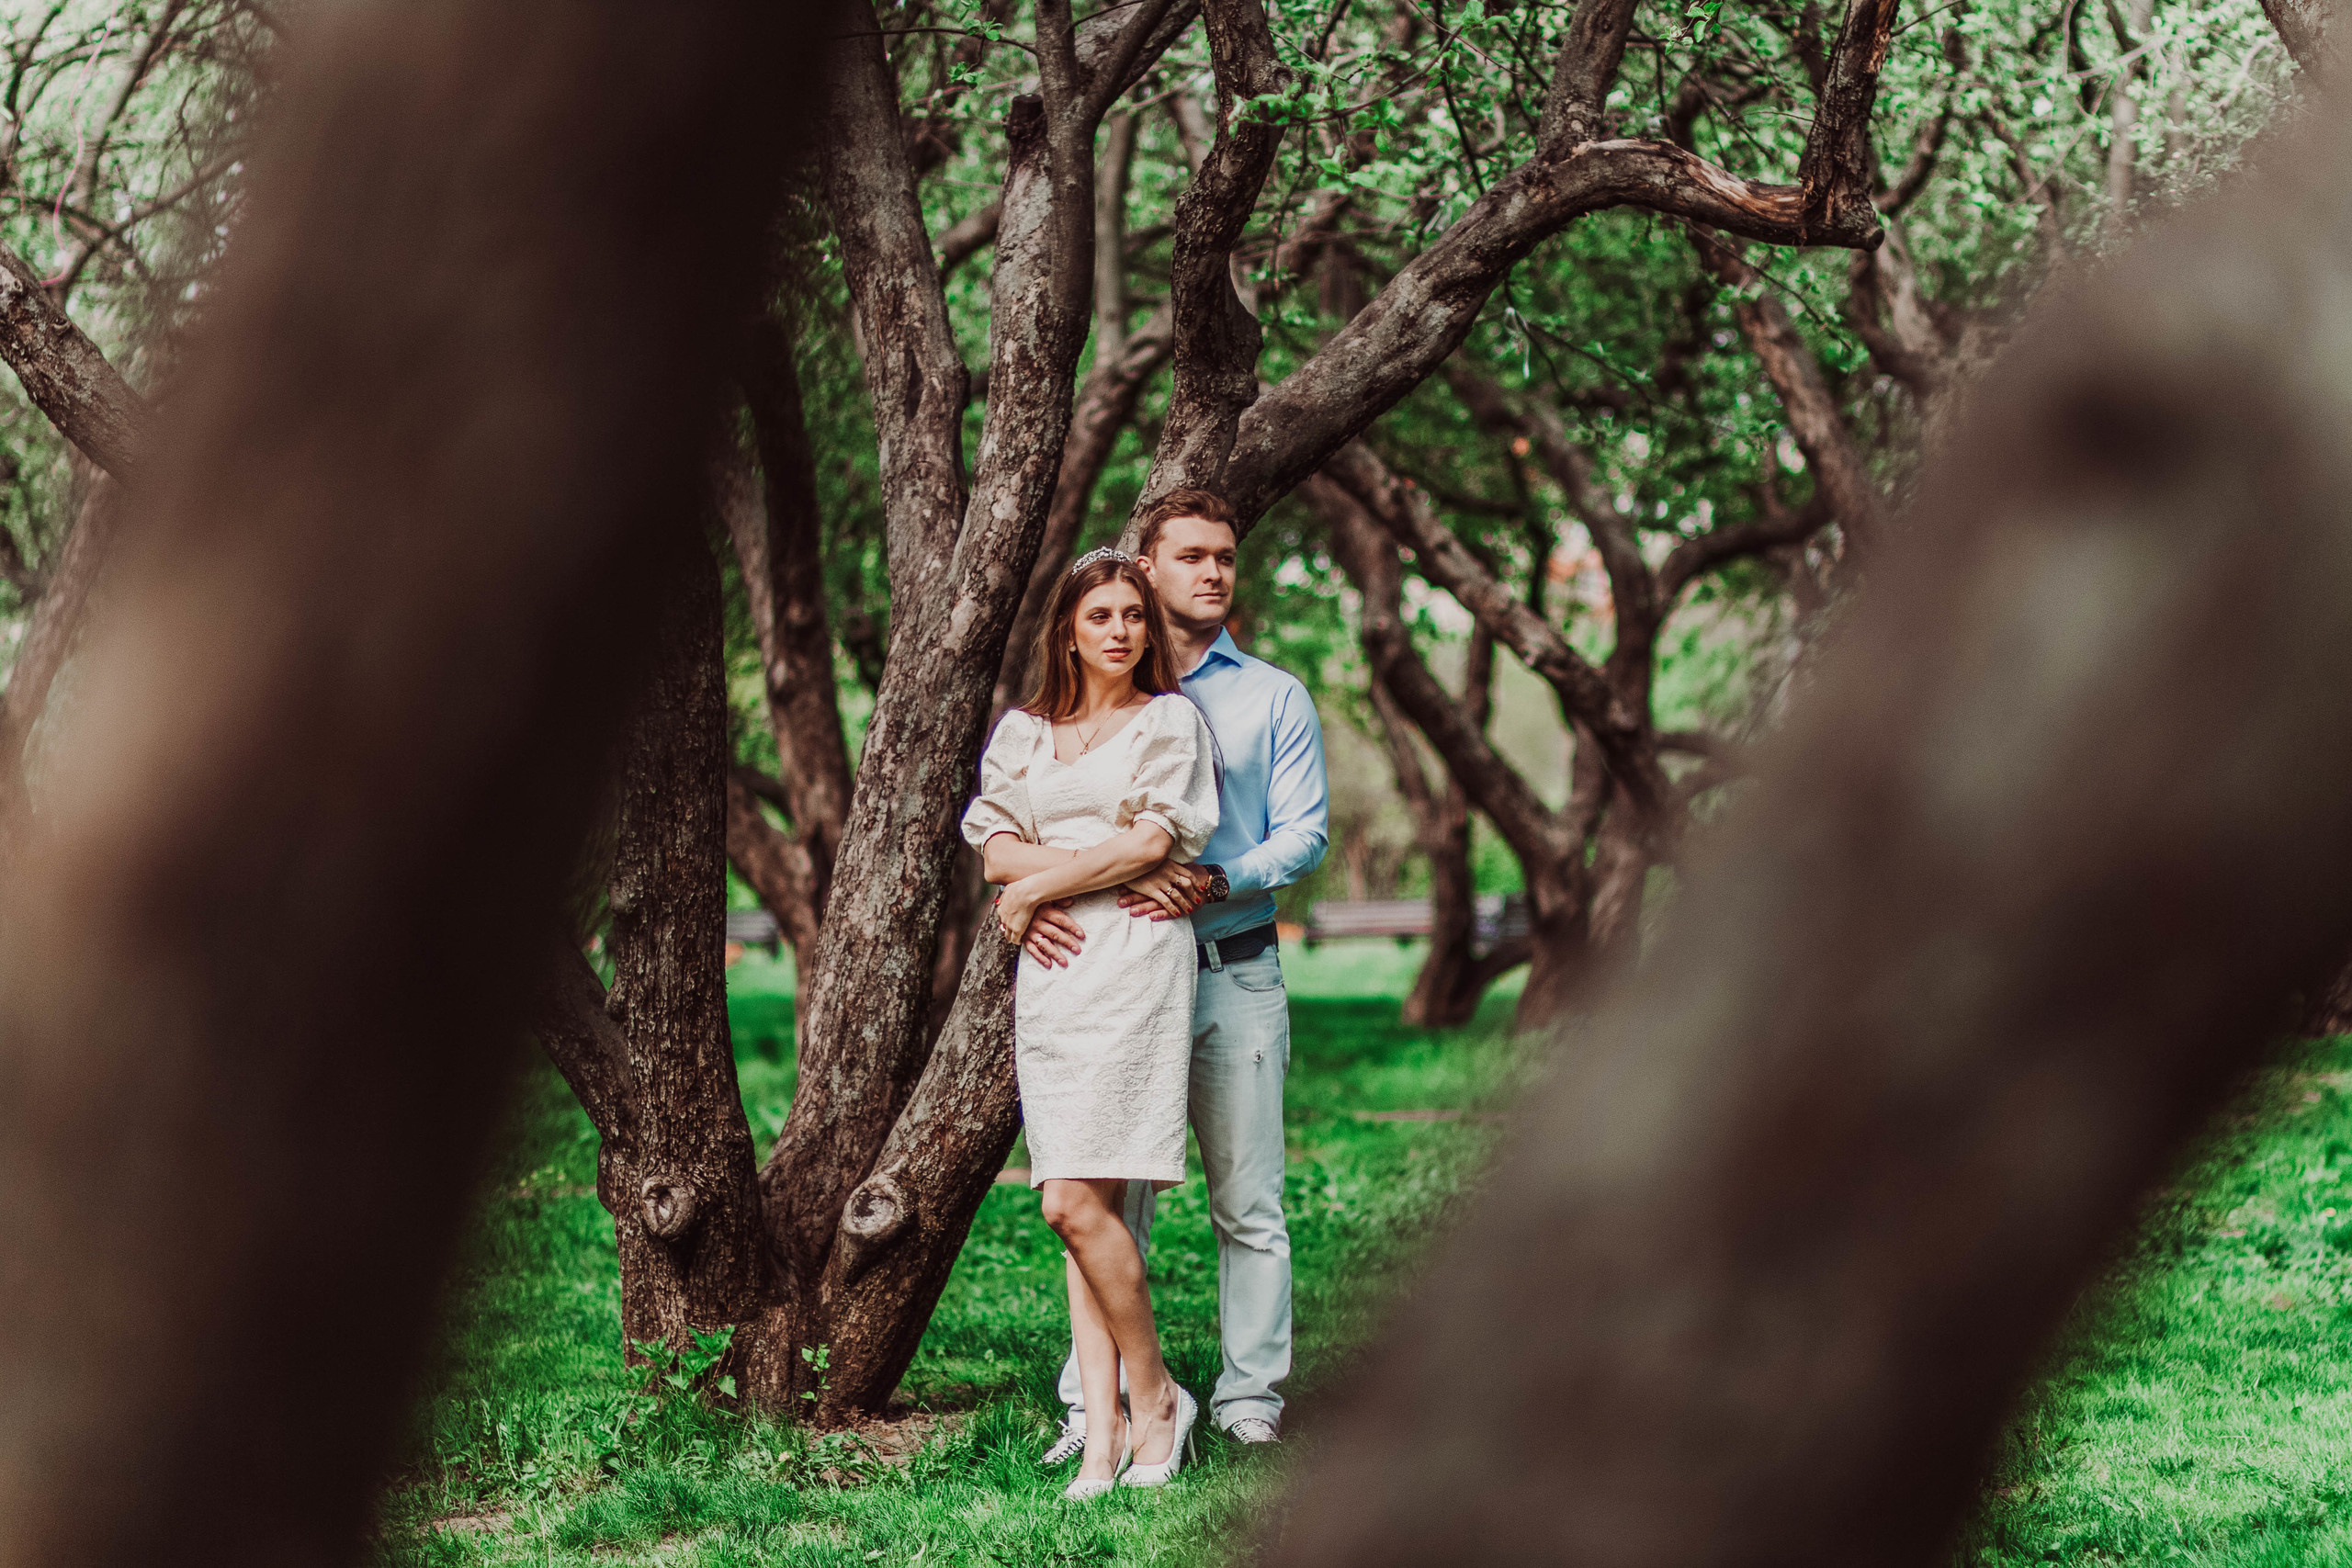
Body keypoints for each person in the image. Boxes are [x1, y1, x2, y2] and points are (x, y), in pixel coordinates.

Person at [1025, 488, 1329, 1454]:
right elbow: (1038, 818)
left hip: (1232, 969)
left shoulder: (1273, 696)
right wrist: (1028, 896)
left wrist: (1214, 880)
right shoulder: (1096, 694)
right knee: (1107, 1197)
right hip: (1115, 976)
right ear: (1147, 567)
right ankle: (1100, 1403)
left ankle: (1249, 1400)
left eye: (1225, 557)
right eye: (1191, 556)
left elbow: (1305, 834)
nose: (1212, 572)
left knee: (1248, 1200)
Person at [961, 548, 1222, 1498]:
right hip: (1055, 976)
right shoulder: (1025, 732)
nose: (1120, 630)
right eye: (1100, 614)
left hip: (1134, 960)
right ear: (1067, 629)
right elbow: (995, 850)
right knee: (1082, 1205)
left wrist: (1039, 885)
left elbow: (1155, 839)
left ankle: (1155, 1400)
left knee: (1069, 1202)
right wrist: (1038, 884)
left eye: (1134, 615)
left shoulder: (1168, 721)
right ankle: (1104, 1436)